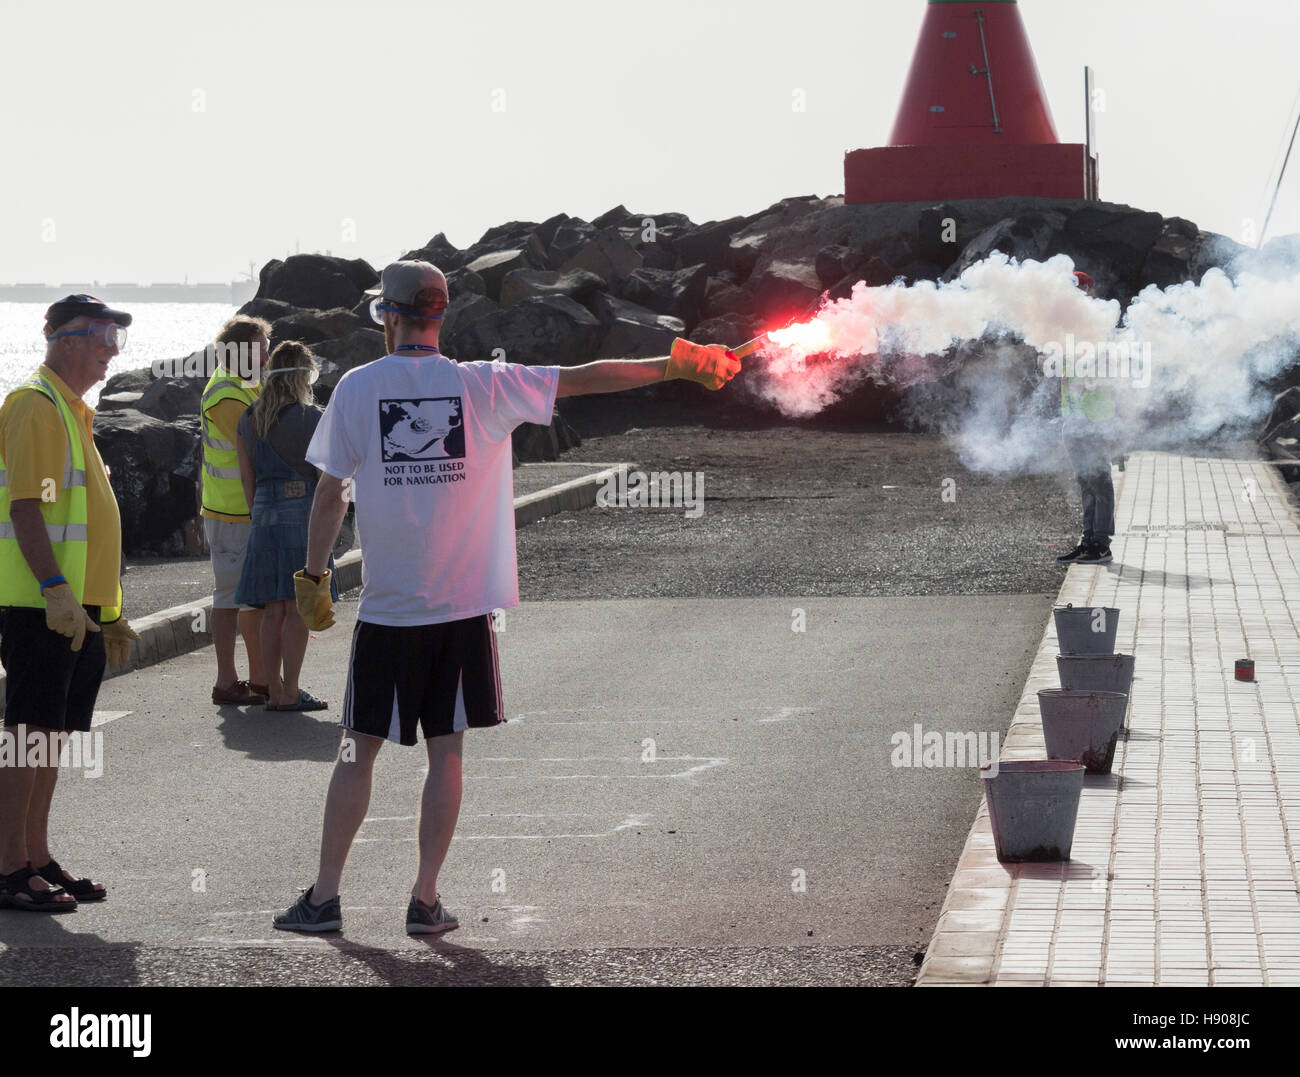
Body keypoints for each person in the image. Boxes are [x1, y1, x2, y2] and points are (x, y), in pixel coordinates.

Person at [273, 260, 739, 933]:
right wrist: (678, 363)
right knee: (448, 752)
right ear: (440, 315)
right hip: (462, 611)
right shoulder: (484, 385)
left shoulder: (356, 388)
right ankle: (425, 899)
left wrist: (314, 577)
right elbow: (585, 379)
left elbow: (328, 493)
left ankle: (324, 896)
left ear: (390, 316)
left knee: (356, 751)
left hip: (388, 612)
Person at [0, 295, 141, 911]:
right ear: (65, 338)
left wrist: (105, 605)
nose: (113, 348)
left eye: (118, 337)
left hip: (76, 608)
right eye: (104, 334)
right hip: (41, 605)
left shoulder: (71, 410)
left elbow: (78, 518)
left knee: (51, 736)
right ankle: (8, 867)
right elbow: (26, 506)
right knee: (28, 734)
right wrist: (58, 591)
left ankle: (35, 855)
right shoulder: (36, 406)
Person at [234, 340, 336, 711]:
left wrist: (259, 515)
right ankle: (291, 690)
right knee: (298, 607)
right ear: (303, 376)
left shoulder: (249, 418)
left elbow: (247, 479)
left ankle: (273, 688)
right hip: (301, 514)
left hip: (262, 515)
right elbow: (329, 479)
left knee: (271, 610)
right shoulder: (313, 418)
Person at [201, 316, 269, 704]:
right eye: (260, 347)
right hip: (230, 513)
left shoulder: (245, 384)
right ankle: (227, 680)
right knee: (228, 598)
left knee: (245, 598)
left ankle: (255, 678)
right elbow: (258, 442)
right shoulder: (226, 392)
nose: (265, 355)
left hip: (242, 508)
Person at [1056, 270, 1117, 566]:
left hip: (1094, 417)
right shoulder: (1068, 328)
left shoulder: (1099, 325)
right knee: (1085, 480)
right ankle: (1088, 539)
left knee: (1099, 479)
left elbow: (1108, 370)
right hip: (1074, 419)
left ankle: (1101, 544)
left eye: (1081, 292)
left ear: (1091, 291)